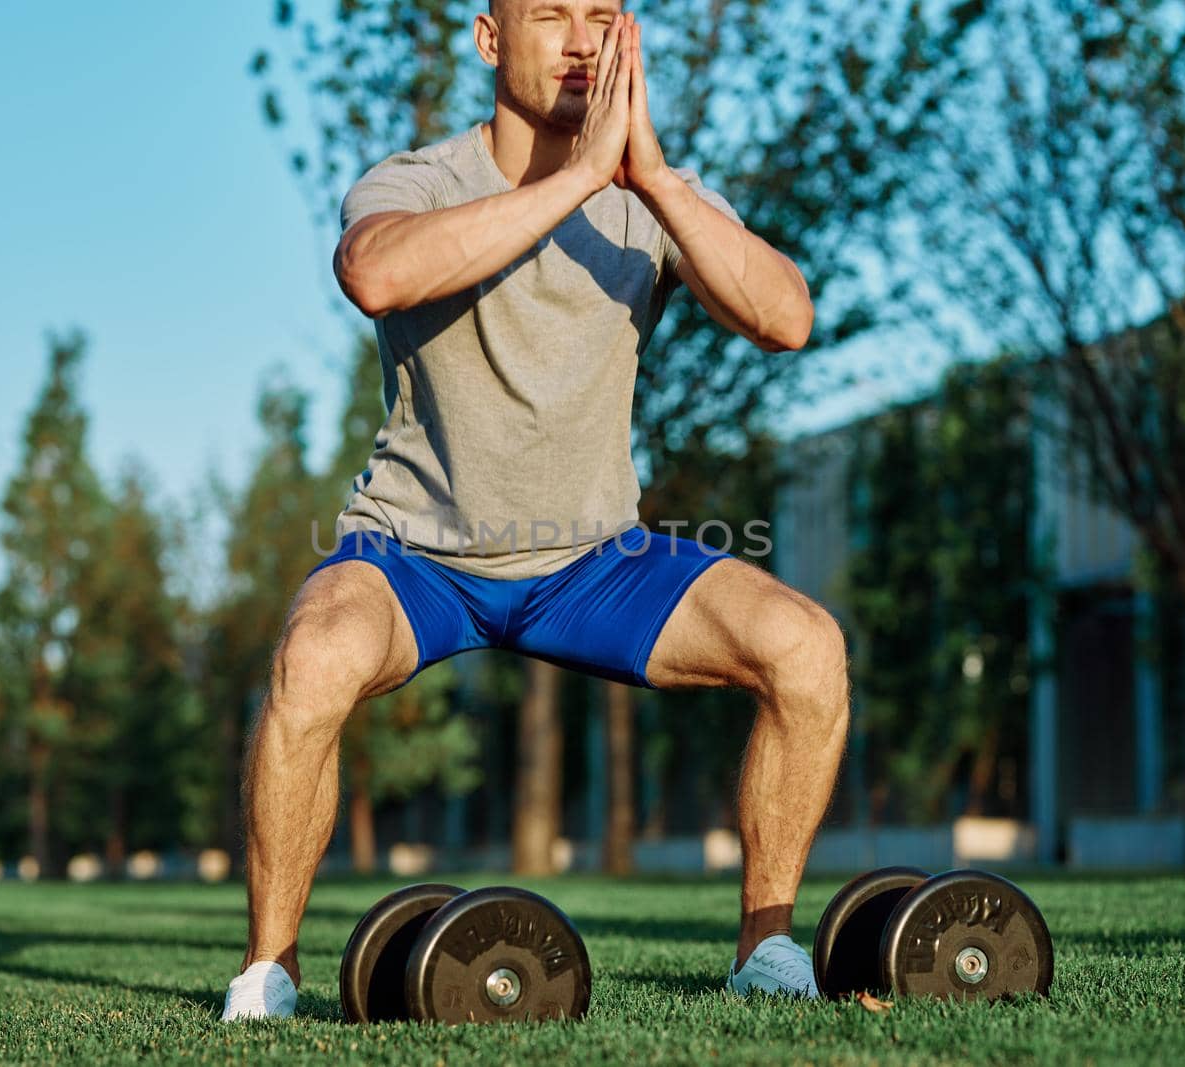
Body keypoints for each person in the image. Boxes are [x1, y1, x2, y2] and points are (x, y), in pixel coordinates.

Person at [221, 0, 848, 1021]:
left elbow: (786, 317)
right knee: (315, 656)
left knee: (806, 647)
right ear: (487, 37)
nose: (579, 41)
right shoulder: (416, 178)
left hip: (594, 561)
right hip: (414, 556)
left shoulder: (653, 195)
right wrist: (575, 179)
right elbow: (375, 273)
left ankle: (765, 947)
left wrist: (646, 178)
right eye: (550, 14)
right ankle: (268, 972)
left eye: (602, 17)